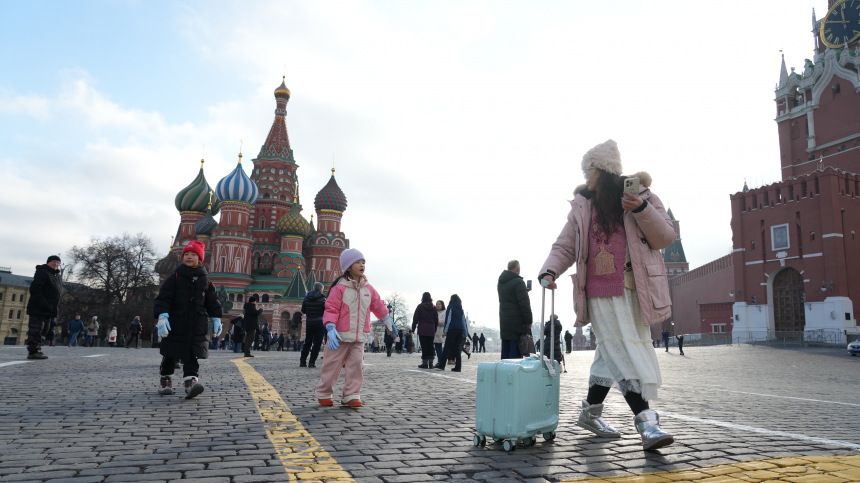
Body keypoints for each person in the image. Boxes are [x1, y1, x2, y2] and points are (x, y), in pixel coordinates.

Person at [538, 139, 675, 450]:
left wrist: (640, 209)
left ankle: (589, 413)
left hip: (634, 291)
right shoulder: (583, 206)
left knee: (611, 354)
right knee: (624, 352)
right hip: (600, 293)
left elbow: (665, 236)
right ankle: (646, 423)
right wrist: (549, 271)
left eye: (590, 170)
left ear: (603, 170)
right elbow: (565, 246)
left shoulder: (642, 196)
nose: (586, 176)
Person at [314, 248, 397, 408]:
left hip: (359, 337)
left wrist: (387, 319)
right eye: (357, 262)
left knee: (356, 365)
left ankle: (351, 394)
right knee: (332, 365)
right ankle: (324, 391)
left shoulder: (368, 289)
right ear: (348, 267)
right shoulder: (339, 288)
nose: (362, 265)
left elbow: (378, 305)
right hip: (339, 336)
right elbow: (331, 308)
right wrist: (330, 327)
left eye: (363, 262)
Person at [153, 240, 223, 399]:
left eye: (193, 254)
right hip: (176, 322)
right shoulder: (175, 277)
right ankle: (166, 380)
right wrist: (163, 315)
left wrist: (216, 317)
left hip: (197, 323)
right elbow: (164, 297)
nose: (189, 257)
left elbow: (212, 300)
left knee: (192, 354)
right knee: (170, 353)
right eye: (186, 254)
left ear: (200, 259)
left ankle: (191, 383)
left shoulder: (205, 280)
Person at [24, 255, 63, 360]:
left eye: (58, 263)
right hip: (39, 307)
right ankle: (33, 351)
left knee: (44, 330)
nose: (56, 264)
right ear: (48, 262)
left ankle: (38, 349)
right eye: (54, 262)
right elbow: (36, 289)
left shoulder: (57, 275)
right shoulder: (42, 272)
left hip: (49, 309)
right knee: (36, 329)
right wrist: (43, 303)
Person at [498, 260, 533, 359]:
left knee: (505, 353)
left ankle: (503, 374)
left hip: (504, 322)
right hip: (517, 325)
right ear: (518, 269)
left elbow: (509, 297)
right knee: (515, 357)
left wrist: (522, 291)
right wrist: (528, 321)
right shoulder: (519, 282)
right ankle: (512, 374)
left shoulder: (501, 282)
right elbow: (524, 305)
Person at [435, 294, 469, 372]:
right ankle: (458, 367)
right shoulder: (461, 309)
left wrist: (445, 331)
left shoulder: (450, 307)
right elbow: (464, 321)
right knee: (457, 348)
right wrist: (465, 332)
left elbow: (448, 319)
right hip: (460, 330)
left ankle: (442, 365)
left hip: (452, 329)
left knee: (447, 347)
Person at [300, 282, 327, 367]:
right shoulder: (323, 299)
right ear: (321, 290)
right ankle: (312, 362)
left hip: (309, 322)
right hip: (319, 322)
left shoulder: (306, 298)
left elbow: (303, 311)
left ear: (313, 288)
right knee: (317, 343)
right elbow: (325, 311)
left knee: (307, 342)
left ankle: (302, 362)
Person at [412, 292, 438, 369]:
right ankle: (431, 363)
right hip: (431, 328)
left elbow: (415, 318)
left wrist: (413, 329)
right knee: (430, 345)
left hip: (422, 328)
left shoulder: (420, 307)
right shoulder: (433, 307)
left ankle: (424, 362)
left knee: (424, 346)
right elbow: (436, 319)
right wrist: (435, 329)